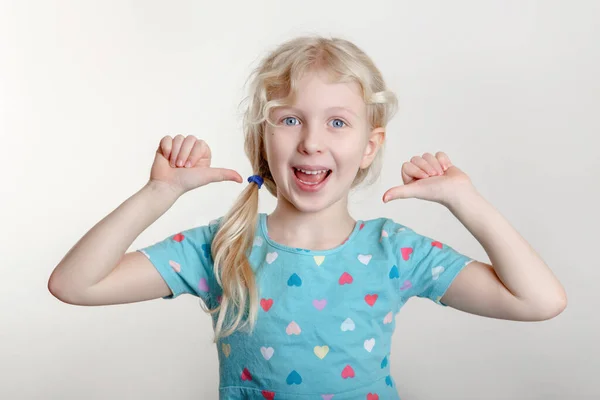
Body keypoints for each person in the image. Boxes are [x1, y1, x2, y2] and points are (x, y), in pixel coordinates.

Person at [48, 35, 567, 400]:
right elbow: (74, 284)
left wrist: (466, 201)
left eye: (337, 122)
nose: (312, 141)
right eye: (290, 119)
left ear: (369, 146)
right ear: (263, 140)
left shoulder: (396, 250)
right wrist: (157, 193)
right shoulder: (221, 248)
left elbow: (540, 301)